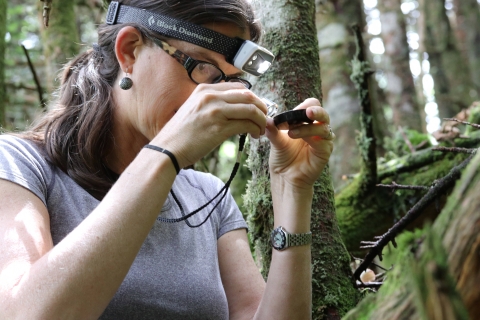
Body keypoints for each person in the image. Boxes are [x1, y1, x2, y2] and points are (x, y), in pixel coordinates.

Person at [0, 0, 334, 319]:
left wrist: (293, 192)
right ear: (130, 50)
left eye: (230, 82)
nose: (215, 95)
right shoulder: (18, 165)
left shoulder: (207, 197)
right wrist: (167, 151)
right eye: (202, 68)